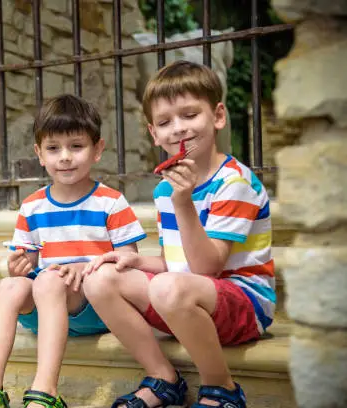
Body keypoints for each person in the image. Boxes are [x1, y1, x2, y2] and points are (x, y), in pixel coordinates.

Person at [82, 60, 275, 408]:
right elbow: (179, 262)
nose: (179, 129)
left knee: (168, 288)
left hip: (245, 305)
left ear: (217, 116)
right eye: (165, 122)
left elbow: (206, 269)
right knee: (100, 279)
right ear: (153, 134)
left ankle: (222, 389)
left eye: (190, 115)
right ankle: (163, 378)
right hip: (185, 297)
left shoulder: (235, 183)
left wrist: (183, 202)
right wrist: (138, 259)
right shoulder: (164, 191)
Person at [0, 94, 147, 408]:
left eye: (76, 146)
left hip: (93, 307)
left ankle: (45, 391)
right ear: (39, 154)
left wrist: (84, 269)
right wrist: (20, 264)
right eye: (53, 148)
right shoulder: (32, 206)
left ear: (97, 149)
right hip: (46, 306)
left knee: (48, 281)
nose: (65, 157)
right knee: (10, 284)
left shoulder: (111, 202)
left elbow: (129, 265)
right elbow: (28, 257)